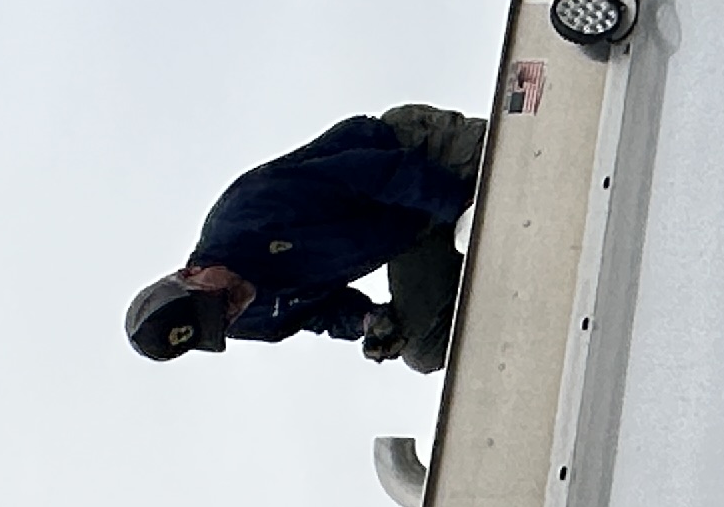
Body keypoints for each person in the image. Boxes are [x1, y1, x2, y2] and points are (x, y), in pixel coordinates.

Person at [126, 104, 484, 373]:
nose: (231, 309)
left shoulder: (245, 214)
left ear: (190, 274)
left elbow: (366, 172)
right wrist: (367, 321)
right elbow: (319, 313)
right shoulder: (248, 323)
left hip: (413, 156)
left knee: (511, 167)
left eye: (218, 301)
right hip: (411, 235)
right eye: (218, 321)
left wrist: (459, 203)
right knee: (422, 351)